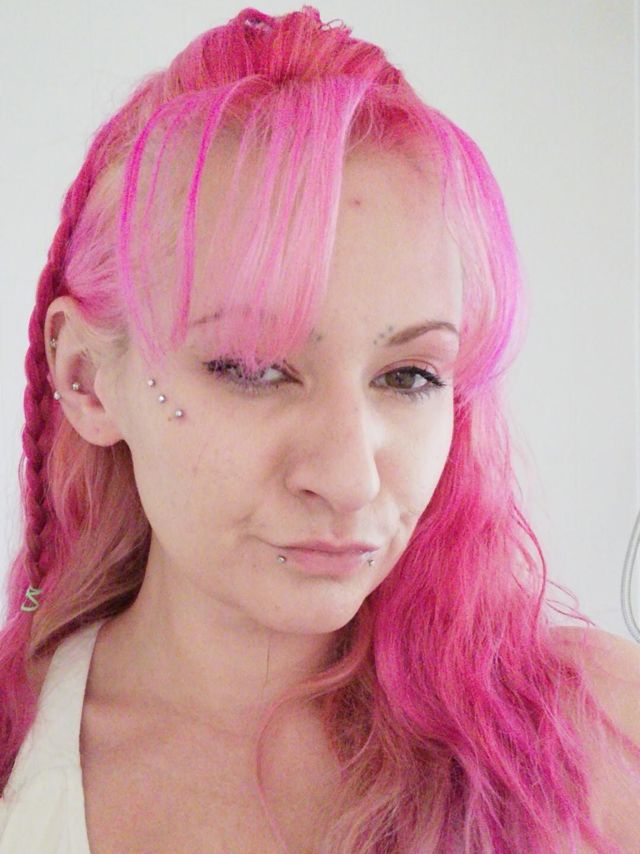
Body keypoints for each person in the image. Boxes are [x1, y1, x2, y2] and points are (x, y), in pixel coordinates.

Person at [1, 6, 639, 853]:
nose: (349, 479)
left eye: (409, 376)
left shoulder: (601, 741)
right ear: (86, 378)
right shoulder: (16, 755)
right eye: (254, 368)